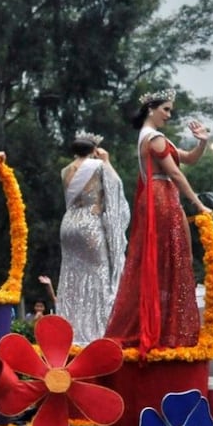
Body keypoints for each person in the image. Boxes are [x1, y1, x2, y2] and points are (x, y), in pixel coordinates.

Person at [106, 89, 212, 354]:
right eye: (165, 109)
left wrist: (202, 143)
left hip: (162, 199)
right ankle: (167, 330)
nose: (169, 115)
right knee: (173, 260)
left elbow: (188, 159)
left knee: (172, 260)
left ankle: (167, 327)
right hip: (161, 200)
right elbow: (175, 174)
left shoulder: (157, 139)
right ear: (151, 108)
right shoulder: (153, 139)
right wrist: (198, 204)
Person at [55, 133, 130, 345]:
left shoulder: (65, 170)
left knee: (72, 277)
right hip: (90, 223)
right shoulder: (98, 166)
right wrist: (107, 161)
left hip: (69, 224)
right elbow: (115, 187)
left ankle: (71, 331)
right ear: (94, 149)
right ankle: (97, 332)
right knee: (100, 275)